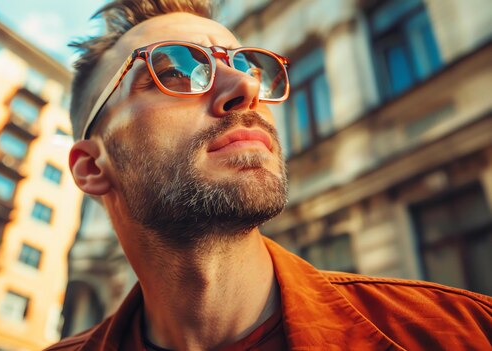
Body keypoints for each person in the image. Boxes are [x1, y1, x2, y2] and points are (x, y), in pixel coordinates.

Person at [46, 0, 492, 350]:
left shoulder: (464, 331)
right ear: (91, 167)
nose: (247, 87)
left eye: (248, 67)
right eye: (176, 72)